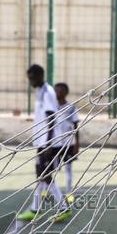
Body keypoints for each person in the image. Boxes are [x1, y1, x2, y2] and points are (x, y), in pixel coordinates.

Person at [18, 64, 70, 223]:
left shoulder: (47, 92)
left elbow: (51, 118)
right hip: (43, 142)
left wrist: (48, 143)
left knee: (45, 175)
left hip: (50, 143)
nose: (31, 81)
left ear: (40, 76)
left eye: (32, 78)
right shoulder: (40, 91)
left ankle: (64, 208)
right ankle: (35, 209)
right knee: (40, 174)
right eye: (29, 78)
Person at [53, 82, 80, 204]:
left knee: (68, 169)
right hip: (55, 143)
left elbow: (75, 126)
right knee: (53, 169)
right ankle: (50, 190)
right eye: (55, 90)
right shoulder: (52, 107)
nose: (56, 93)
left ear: (65, 93)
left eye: (59, 91)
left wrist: (77, 144)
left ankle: (69, 192)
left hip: (68, 144)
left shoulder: (71, 108)